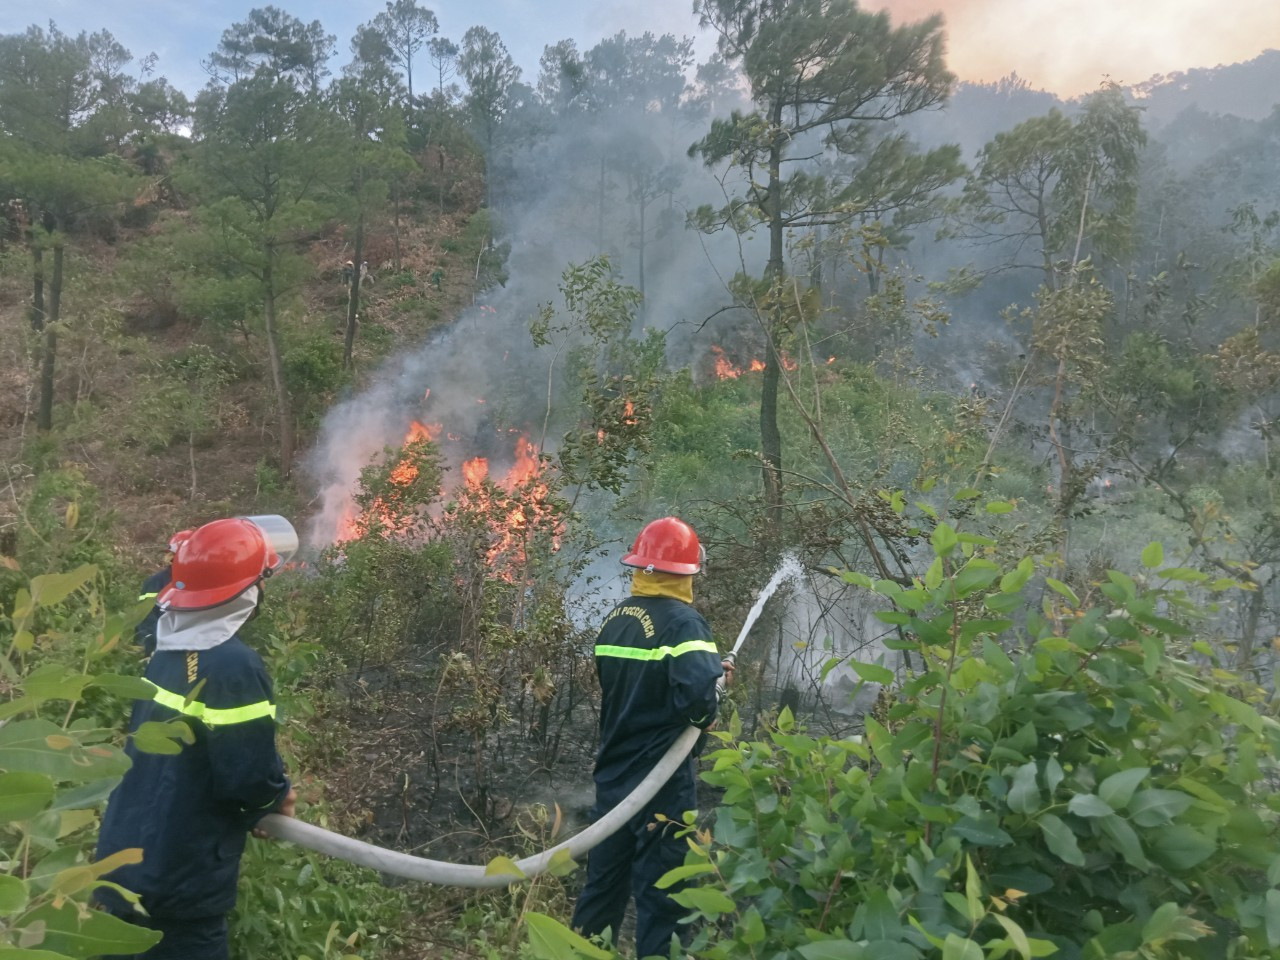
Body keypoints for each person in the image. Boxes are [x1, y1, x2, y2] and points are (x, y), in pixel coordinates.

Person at [96, 517, 297, 960]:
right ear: (250, 592)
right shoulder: (233, 668)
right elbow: (247, 777)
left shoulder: (165, 648)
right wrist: (274, 798)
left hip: (120, 861)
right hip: (180, 882)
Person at [572, 517, 732, 959]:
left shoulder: (617, 619)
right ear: (688, 570)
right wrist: (712, 699)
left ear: (641, 567)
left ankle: (577, 951)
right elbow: (698, 702)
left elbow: (639, 684)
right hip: (661, 781)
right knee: (663, 893)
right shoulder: (684, 624)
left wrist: (703, 681)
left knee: (603, 885)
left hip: (615, 772)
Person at [135, 529, 193, 657]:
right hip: (160, 650)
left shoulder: (201, 583)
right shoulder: (156, 583)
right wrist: (149, 645)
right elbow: (144, 618)